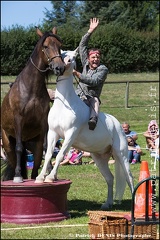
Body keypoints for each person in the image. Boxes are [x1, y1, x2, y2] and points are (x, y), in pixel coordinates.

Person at [73, 18, 108, 130]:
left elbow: (93, 82)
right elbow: (82, 46)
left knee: (95, 100)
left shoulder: (103, 69)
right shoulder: (85, 64)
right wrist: (90, 31)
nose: (96, 59)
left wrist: (77, 74)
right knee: (51, 93)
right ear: (88, 58)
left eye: (98, 57)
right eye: (93, 57)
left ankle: (93, 120)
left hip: (90, 99)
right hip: (77, 95)